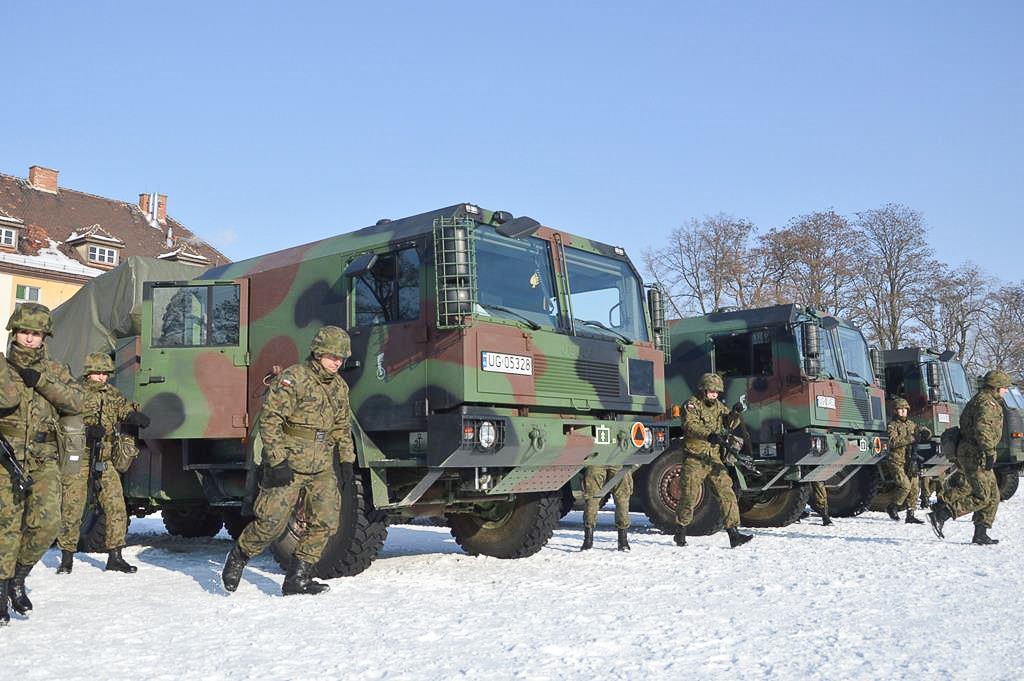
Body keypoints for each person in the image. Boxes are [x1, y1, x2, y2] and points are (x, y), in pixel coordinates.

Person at [222, 326, 354, 596]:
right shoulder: (295, 378)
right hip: (290, 462)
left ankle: (298, 577)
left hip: (322, 465)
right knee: (271, 523)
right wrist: (277, 461)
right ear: (318, 353)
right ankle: (239, 555)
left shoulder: (340, 387)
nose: (337, 362)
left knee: (327, 521)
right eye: (332, 356)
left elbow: (342, 425)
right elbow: (270, 421)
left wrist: (347, 461)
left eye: (341, 357)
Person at [0, 304, 83, 625]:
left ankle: (19, 577)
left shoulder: (56, 370)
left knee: (47, 524)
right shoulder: (3, 368)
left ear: (44, 337)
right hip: (6, 458)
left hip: (44, 458)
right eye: (24, 332)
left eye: (36, 334)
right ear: (14, 333)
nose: (29, 339)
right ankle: (3, 588)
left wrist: (41, 381)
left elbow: (78, 402)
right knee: (6, 527)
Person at [55, 352, 149, 575]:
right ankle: (67, 557)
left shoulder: (112, 394)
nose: (102, 378)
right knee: (72, 507)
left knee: (116, 506)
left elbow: (123, 408)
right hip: (80, 456)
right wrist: (85, 431)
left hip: (104, 458)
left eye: (105, 373)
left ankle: (115, 556)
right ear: (88, 373)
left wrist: (134, 416)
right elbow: (59, 421)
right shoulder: (75, 393)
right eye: (98, 373)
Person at [929, 370, 1012, 545]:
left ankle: (980, 533)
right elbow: (983, 429)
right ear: (996, 387)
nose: (1006, 391)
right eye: (1004, 387)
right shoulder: (988, 404)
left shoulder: (980, 399)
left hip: (973, 451)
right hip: (976, 454)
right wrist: (989, 451)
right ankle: (941, 514)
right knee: (982, 496)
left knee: (993, 496)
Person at [673, 372, 753, 548]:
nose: (714, 395)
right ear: (703, 390)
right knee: (689, 496)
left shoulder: (718, 406)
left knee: (726, 492)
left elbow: (728, 424)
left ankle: (734, 534)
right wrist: (708, 435)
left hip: (713, 457)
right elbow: (689, 425)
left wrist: (735, 413)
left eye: (717, 392)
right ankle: (681, 530)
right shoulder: (692, 404)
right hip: (695, 457)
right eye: (711, 391)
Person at [885, 398, 930, 524]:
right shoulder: (892, 425)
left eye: (905, 409)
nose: (903, 412)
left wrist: (926, 433)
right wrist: (911, 438)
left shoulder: (911, 424)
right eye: (900, 409)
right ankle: (893, 506)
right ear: (895, 411)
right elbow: (893, 442)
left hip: (911, 460)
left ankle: (911, 514)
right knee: (905, 486)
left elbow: (921, 430)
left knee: (915, 487)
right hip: (896, 460)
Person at [580, 466, 633, 551]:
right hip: (617, 459)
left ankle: (588, 541)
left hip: (597, 459)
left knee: (592, 499)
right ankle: (623, 542)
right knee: (622, 499)